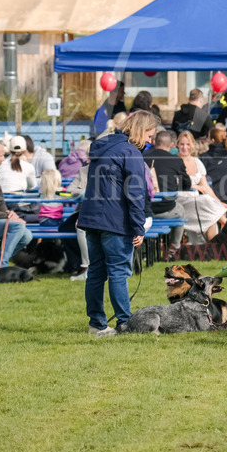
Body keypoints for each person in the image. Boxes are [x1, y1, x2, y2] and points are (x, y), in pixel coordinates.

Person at [79, 111, 154, 337]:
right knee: (118, 272)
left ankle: (97, 324)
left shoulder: (102, 147)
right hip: (114, 221)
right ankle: (124, 323)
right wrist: (139, 227)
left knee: (96, 273)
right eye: (149, 135)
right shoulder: (130, 152)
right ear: (140, 131)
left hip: (92, 218)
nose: (150, 140)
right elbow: (135, 193)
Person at [175, 131, 227, 245]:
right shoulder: (173, 161)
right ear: (177, 145)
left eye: (188, 144)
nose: (185, 147)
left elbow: (206, 188)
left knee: (211, 215)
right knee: (206, 202)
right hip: (181, 201)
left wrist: (219, 203)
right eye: (182, 144)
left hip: (197, 202)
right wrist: (196, 186)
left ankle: (213, 245)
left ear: (193, 145)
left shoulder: (197, 162)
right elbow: (175, 184)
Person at [141, 129, 188, 260]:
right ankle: (174, 248)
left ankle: (144, 250)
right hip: (166, 209)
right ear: (172, 145)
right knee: (181, 211)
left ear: (154, 142)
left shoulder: (143, 157)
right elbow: (186, 184)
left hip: (145, 209)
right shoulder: (176, 160)